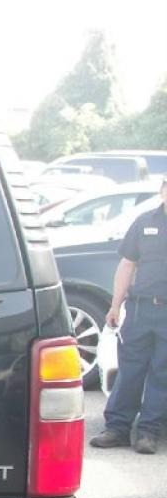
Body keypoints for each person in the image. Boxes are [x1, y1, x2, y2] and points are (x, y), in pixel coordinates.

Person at [90, 178, 167, 454]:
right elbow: (127, 264)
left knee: (162, 374)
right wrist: (114, 305)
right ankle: (117, 428)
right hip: (139, 309)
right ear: (162, 190)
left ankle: (148, 432)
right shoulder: (144, 222)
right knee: (130, 370)